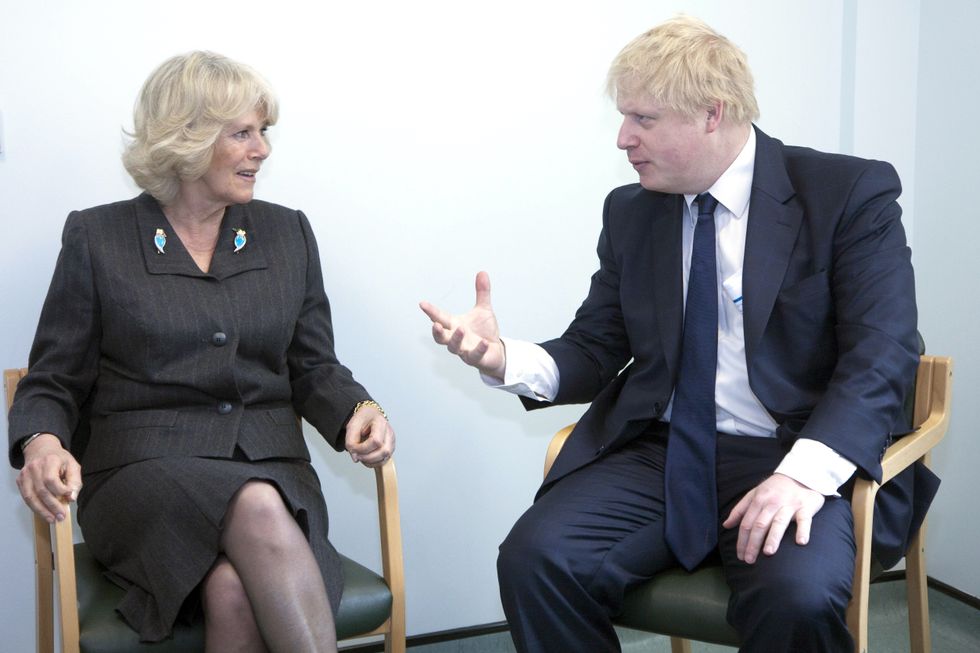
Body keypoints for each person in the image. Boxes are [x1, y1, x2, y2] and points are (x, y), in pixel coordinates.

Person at [420, 16, 933, 653]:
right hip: (664, 451)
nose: (622, 138)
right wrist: (502, 359)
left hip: (798, 448)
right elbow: (596, 347)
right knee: (536, 559)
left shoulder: (846, 193)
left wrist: (803, 476)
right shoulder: (633, 210)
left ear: (711, 114)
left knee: (795, 599)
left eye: (643, 119)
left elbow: (881, 355)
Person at [8, 51, 394, 652]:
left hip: (272, 465)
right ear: (185, 141)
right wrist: (42, 440)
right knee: (257, 504)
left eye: (263, 132)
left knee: (233, 589)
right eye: (242, 133)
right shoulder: (99, 236)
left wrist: (357, 411)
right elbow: (53, 379)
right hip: (141, 476)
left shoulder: (287, 231)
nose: (262, 149)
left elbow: (313, 366)